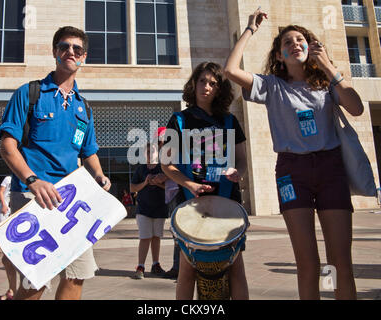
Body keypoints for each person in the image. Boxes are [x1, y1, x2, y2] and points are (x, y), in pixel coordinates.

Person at [224, 9, 363, 300]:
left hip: (330, 168)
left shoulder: (327, 83)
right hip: (292, 172)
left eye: (301, 39)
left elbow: (357, 107)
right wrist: (250, 29)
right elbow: (231, 71)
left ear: (311, 47)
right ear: (278, 56)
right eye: (287, 42)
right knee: (307, 263)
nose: (295, 44)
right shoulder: (272, 86)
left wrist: (327, 66)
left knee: (338, 263)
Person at [0, 26, 111, 300]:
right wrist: (32, 180)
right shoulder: (29, 93)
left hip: (71, 201)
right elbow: (7, 146)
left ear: (84, 57)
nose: (70, 52)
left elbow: (88, 152)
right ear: (54, 52)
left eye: (77, 49)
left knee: (77, 274)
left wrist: (100, 175)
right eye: (64, 47)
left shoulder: (84, 107)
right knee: (34, 281)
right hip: (32, 195)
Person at [161, 61, 249, 299]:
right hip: (190, 204)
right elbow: (166, 164)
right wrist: (190, 184)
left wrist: (238, 173)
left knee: (236, 268)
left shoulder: (230, 121)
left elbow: (241, 160)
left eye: (213, 83)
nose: (207, 87)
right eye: (202, 81)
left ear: (220, 89)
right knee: (187, 270)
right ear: (194, 83)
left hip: (227, 202)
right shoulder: (178, 121)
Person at [130, 143, 168, 279]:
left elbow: (170, 188)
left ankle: (156, 264)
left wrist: (157, 182)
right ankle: (140, 266)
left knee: (156, 237)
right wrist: (145, 182)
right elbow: (132, 188)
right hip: (143, 209)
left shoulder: (163, 169)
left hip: (160, 208)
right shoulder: (140, 170)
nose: (149, 154)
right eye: (147, 152)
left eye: (152, 151)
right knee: (145, 237)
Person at [0, 176, 12, 257]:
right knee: (1, 227)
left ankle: (8, 248)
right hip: (5, 205)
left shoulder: (20, 180)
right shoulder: (8, 179)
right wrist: (4, 204)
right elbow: (1, 192)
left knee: (11, 228)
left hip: (14, 205)